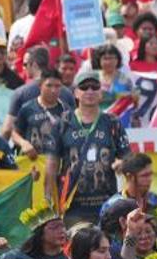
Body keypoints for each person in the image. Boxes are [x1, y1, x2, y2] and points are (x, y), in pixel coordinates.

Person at [46, 70, 132, 224]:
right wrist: (49, 200)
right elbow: (52, 165)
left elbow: (128, 157)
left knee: (105, 247)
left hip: (107, 205)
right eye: (84, 87)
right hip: (71, 207)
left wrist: (123, 163)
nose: (90, 91)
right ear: (75, 93)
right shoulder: (62, 123)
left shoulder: (112, 122)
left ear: (101, 93)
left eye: (94, 87)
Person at [8, 68, 70, 161]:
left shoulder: (67, 110)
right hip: (33, 163)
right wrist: (23, 143)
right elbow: (14, 133)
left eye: (57, 86)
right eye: (49, 85)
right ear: (40, 86)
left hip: (58, 165)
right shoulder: (27, 108)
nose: (53, 90)